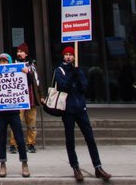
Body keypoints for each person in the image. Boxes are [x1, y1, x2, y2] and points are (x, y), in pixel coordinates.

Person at [52, 46, 111, 182]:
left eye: (70, 55)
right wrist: (72, 74)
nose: (68, 57)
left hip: (81, 109)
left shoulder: (79, 70)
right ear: (63, 57)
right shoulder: (59, 70)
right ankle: (75, 167)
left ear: (74, 57)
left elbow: (84, 88)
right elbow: (63, 87)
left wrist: (78, 76)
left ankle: (98, 166)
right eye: (66, 54)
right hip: (68, 110)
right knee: (70, 140)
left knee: (90, 138)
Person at [14, 44, 40, 154]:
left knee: (31, 123)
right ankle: (13, 144)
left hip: (30, 98)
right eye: (18, 51)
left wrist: (41, 96)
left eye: (21, 51)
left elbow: (37, 82)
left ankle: (31, 143)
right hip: (18, 99)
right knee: (16, 122)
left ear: (26, 54)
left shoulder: (32, 67)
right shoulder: (13, 65)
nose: (19, 53)